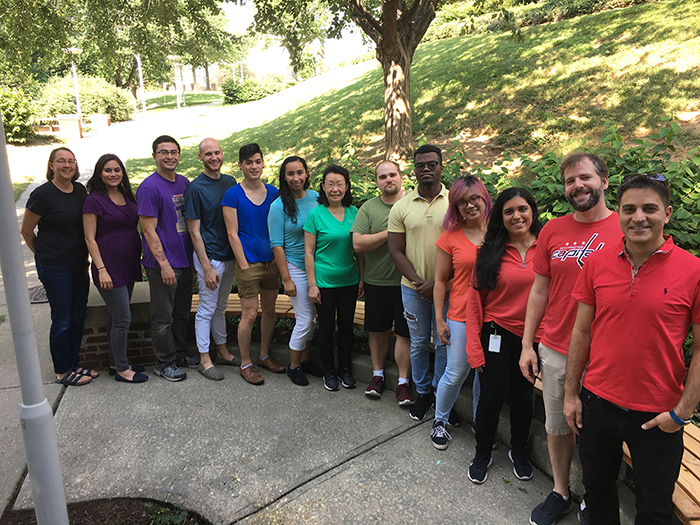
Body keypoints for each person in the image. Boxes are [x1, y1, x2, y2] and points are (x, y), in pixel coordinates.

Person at [564, 174, 700, 524]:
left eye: (649, 209)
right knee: (597, 492)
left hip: (658, 414)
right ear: (619, 214)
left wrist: (682, 412)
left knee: (654, 509)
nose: (639, 217)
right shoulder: (596, 263)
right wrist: (571, 394)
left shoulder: (693, 271)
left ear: (667, 213)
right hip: (597, 403)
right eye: (630, 209)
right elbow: (581, 331)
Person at [520, 152, 620, 525]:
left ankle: (596, 500)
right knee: (557, 426)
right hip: (557, 348)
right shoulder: (552, 231)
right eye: (569, 181)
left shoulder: (625, 228)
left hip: (608, 355)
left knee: (603, 437)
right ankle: (560, 490)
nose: (577, 185)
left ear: (604, 181)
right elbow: (539, 292)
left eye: (585, 177)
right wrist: (528, 345)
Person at [465, 187, 543, 484]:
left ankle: (519, 451)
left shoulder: (547, 248)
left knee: (524, 398)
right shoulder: (490, 251)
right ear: (500, 216)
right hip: (495, 335)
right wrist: (474, 347)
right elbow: (474, 304)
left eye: (522, 208)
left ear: (532, 211)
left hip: (533, 340)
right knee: (491, 398)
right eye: (508, 211)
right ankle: (483, 451)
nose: (516, 216)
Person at [21, 147, 96, 386]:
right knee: (62, 318)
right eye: (61, 161)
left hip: (77, 264)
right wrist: (43, 255)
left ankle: (74, 364)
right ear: (51, 165)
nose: (67, 165)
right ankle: (63, 371)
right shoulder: (42, 195)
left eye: (71, 161)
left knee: (78, 314)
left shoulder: (79, 191)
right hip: (55, 267)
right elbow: (26, 231)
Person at [387, 144, 450, 421]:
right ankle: (422, 392)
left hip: (449, 288)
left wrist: (438, 284)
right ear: (414, 169)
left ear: (441, 167)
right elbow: (395, 250)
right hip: (412, 288)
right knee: (419, 342)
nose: (426, 169)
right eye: (420, 165)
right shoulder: (402, 206)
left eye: (431, 164)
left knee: (444, 342)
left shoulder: (455, 202)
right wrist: (418, 281)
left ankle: (440, 395)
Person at [430, 175, 491, 450]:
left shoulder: (500, 233)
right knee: (455, 373)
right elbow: (440, 280)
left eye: (474, 198)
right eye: (462, 202)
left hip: (495, 317)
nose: (469, 206)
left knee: (485, 374)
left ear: (484, 197)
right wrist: (440, 320)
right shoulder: (450, 237)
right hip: (460, 315)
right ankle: (440, 421)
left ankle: (481, 422)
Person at [352, 160, 413, 405]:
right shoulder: (368, 208)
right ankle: (377, 375)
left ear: (401, 177)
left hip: (408, 283)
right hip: (377, 281)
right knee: (377, 331)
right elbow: (358, 244)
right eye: (382, 177)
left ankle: (403, 383)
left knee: (405, 334)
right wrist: (392, 231)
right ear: (376, 181)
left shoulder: (414, 203)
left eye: (392, 175)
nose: (388, 180)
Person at [222, 143, 284, 385]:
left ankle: (264, 355)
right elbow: (232, 233)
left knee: (269, 311)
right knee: (248, 315)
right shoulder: (233, 195)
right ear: (240, 165)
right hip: (249, 264)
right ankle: (245, 363)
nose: (254, 166)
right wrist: (244, 265)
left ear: (263, 162)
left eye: (257, 161)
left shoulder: (274, 193)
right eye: (248, 162)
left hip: (272, 262)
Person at [137, 135, 197, 382]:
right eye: (164, 152)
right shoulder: (149, 188)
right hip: (164, 264)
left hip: (185, 260)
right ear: (154, 156)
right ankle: (163, 363)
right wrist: (164, 264)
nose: (170, 156)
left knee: (181, 313)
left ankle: (179, 353)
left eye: (174, 152)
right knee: (163, 318)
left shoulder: (183, 182)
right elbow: (148, 230)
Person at [83, 154, 146, 384]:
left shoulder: (126, 194)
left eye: (117, 170)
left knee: (115, 317)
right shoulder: (94, 200)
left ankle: (114, 362)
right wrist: (101, 269)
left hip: (127, 263)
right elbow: (89, 238)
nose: (113, 174)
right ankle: (122, 369)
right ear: (100, 173)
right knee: (122, 319)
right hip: (108, 266)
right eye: (108, 170)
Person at [184, 138, 239, 382]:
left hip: (230, 257)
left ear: (222, 154)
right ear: (200, 157)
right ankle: (204, 359)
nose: (214, 157)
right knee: (206, 310)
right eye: (208, 154)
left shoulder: (230, 182)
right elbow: (194, 232)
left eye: (217, 153)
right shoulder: (195, 188)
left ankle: (223, 351)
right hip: (210, 258)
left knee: (220, 307)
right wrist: (206, 267)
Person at [304, 165, 364, 391]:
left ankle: (345, 369)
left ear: (347, 186)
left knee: (347, 327)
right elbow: (308, 252)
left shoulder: (354, 213)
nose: (335, 189)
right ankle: (328, 370)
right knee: (326, 327)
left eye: (340, 184)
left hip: (349, 282)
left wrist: (361, 278)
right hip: (324, 284)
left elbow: (359, 250)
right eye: (330, 184)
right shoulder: (315, 214)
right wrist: (312, 285)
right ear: (323, 187)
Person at [268, 155, 323, 386]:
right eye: (290, 174)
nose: (296, 178)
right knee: (305, 318)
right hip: (295, 267)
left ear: (306, 173)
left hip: (318, 265)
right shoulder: (278, 206)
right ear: (284, 177)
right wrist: (286, 279)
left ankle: (306, 359)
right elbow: (277, 245)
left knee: (313, 318)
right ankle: (294, 366)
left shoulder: (316, 198)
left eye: (300, 172)